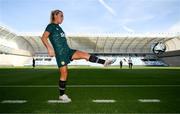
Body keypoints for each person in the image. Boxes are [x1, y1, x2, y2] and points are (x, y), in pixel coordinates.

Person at [41, 10, 116, 103]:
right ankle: (62, 95)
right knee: (64, 74)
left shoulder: (59, 28)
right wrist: (49, 48)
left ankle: (104, 62)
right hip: (60, 54)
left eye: (63, 16)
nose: (62, 18)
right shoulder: (51, 26)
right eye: (61, 16)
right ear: (55, 15)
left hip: (68, 51)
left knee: (85, 55)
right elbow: (44, 37)